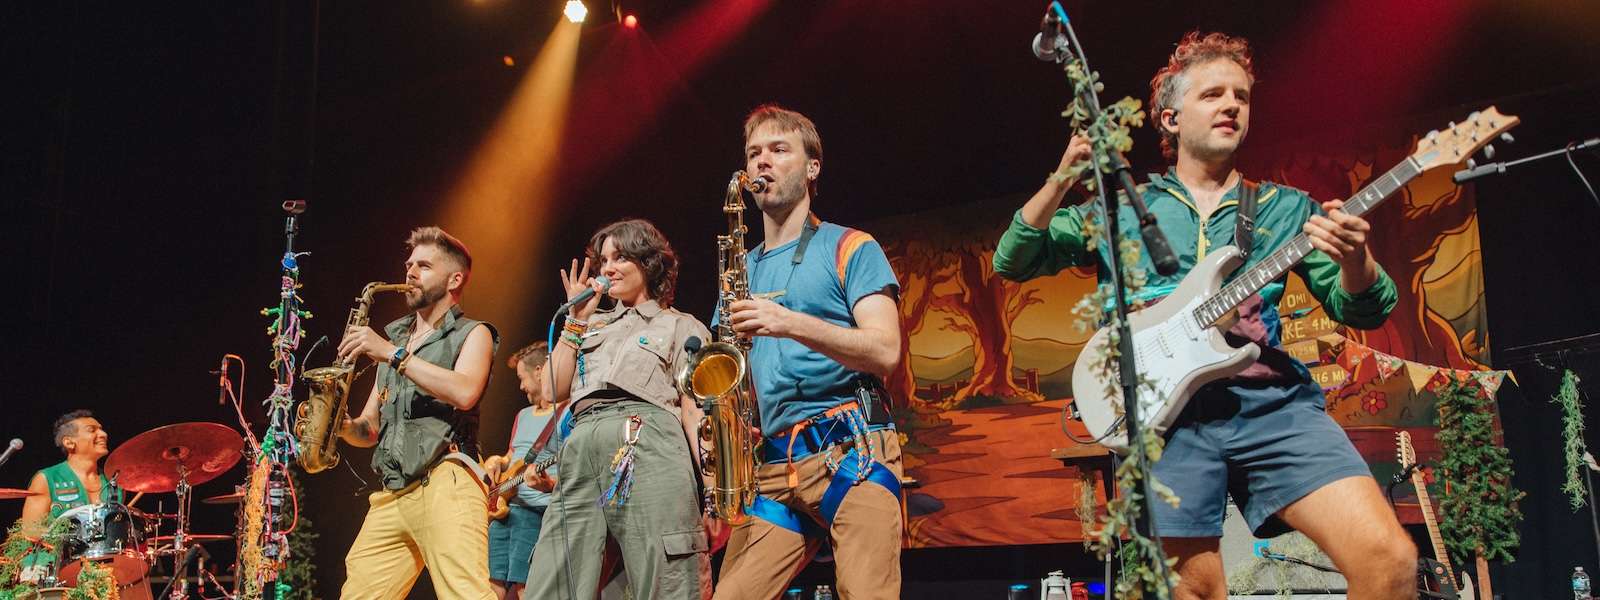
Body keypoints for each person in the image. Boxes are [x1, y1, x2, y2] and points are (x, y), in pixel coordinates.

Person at [992, 31, 1417, 599]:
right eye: (1213, 94)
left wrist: (1355, 258)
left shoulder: (1286, 209)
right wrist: (1064, 177)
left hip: (1270, 404)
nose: (1232, 105)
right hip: (1167, 421)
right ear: (1170, 118)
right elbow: (1013, 258)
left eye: (1241, 96)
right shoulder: (1121, 211)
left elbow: (1361, 308)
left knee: (1389, 559)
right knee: (1193, 590)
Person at [713, 105, 905, 600]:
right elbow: (723, 373)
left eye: (779, 150)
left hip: (852, 450)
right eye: (754, 153)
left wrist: (788, 322)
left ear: (812, 167)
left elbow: (886, 350)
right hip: (774, 463)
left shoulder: (852, 247)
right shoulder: (739, 271)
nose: (762, 162)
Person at [522, 218, 712, 600]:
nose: (607, 268)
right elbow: (551, 388)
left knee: (667, 575)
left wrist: (712, 489)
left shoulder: (681, 326)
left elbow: (695, 413)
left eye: (620, 257)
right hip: (581, 447)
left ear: (649, 262)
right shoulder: (589, 325)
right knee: (553, 576)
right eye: (603, 260)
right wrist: (575, 322)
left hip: (649, 443)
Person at [337, 226, 499, 600]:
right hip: (393, 493)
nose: (410, 272)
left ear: (455, 279)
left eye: (424, 266)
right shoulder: (396, 339)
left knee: (466, 595)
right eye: (409, 264)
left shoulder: (473, 333)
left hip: (447, 480)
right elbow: (370, 428)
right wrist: (340, 427)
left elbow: (465, 392)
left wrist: (394, 355)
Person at [484, 342, 565, 599]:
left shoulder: (567, 413)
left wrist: (549, 484)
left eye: (522, 378)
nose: (520, 387)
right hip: (505, 509)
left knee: (525, 586)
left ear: (540, 371)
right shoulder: (523, 414)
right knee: (492, 582)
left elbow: (574, 467)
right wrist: (497, 461)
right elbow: (511, 456)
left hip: (535, 513)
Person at [16, 410, 117, 582]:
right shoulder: (47, 479)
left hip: (106, 573)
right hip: (56, 575)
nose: (103, 434)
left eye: (101, 429)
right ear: (69, 442)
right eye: (92, 430)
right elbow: (30, 534)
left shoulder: (113, 483)